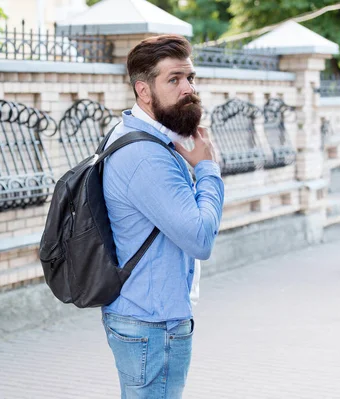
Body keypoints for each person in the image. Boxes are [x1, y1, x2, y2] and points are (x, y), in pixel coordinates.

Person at [101, 34, 225, 398]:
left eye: (190, 78)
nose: (188, 88)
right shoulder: (146, 156)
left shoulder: (135, 134)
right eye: (174, 79)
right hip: (152, 324)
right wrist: (207, 168)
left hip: (143, 316)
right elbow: (200, 239)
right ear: (144, 90)